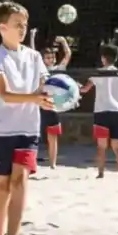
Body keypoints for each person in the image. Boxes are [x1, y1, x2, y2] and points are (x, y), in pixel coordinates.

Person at [0, 1, 52, 235]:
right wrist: (34, 98)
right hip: (1, 128)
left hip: (28, 129)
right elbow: (4, 94)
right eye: (17, 25)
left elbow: (46, 84)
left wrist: (56, 93)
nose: (23, 29)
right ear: (3, 28)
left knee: (20, 179)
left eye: (25, 25)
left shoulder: (34, 57)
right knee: (2, 186)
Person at [80, 43, 118, 179]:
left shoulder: (98, 73)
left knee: (101, 146)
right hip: (117, 111)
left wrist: (75, 88)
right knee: (117, 145)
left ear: (103, 58)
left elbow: (84, 89)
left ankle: (101, 174)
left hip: (101, 112)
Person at [38, 36, 72, 168]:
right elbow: (33, 54)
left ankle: (52, 164)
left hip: (53, 106)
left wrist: (63, 42)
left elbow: (68, 54)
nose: (50, 60)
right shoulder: (40, 69)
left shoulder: (58, 69)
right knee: (34, 136)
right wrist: (33, 37)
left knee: (53, 137)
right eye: (47, 57)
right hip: (40, 105)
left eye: (52, 57)